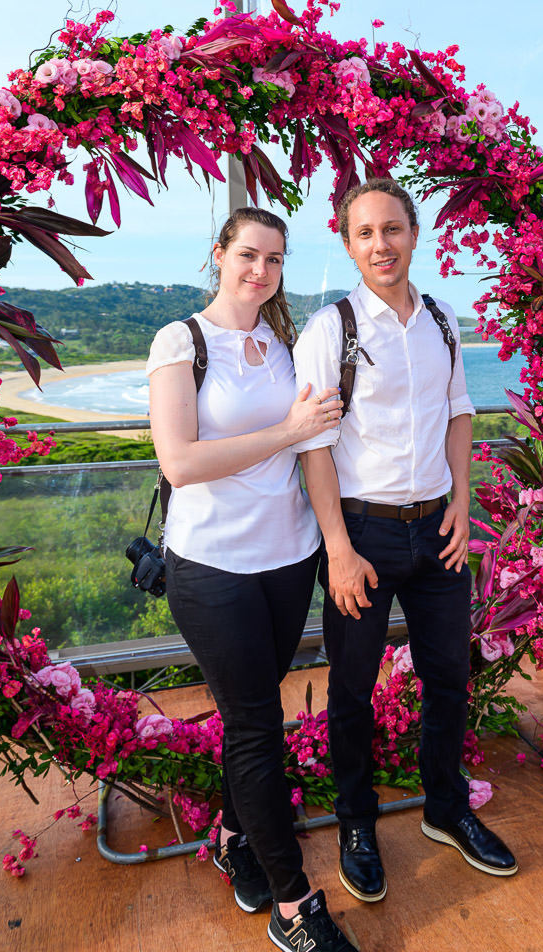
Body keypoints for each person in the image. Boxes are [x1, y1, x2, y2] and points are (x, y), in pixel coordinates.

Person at [293, 179, 517, 904]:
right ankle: (357, 823)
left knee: (448, 678)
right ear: (350, 245)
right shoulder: (332, 329)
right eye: (364, 233)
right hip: (362, 534)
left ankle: (446, 809)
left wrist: (461, 499)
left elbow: (459, 414)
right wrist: (337, 546)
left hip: (437, 531)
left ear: (413, 234)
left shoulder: (443, 321)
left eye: (391, 229)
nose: (380, 244)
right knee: (352, 691)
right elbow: (314, 445)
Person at [147, 207, 358, 952]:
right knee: (255, 727)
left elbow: (317, 444)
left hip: (288, 558)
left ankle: (235, 835)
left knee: (255, 713)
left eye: (273, 258)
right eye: (247, 255)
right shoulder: (181, 340)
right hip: (212, 567)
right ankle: (294, 904)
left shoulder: (284, 341)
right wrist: (287, 433)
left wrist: (333, 538)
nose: (260, 270)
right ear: (218, 255)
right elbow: (181, 463)